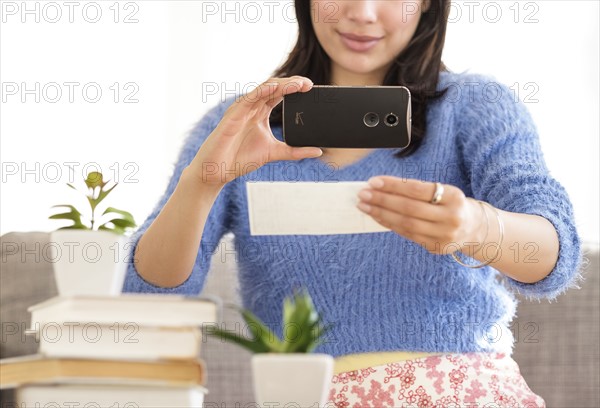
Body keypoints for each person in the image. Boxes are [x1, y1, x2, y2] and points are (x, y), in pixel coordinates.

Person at [123, 1, 582, 406]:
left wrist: (477, 227)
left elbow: (553, 257)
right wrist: (201, 184)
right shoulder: (242, 126)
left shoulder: (474, 107)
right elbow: (147, 297)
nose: (362, 11)